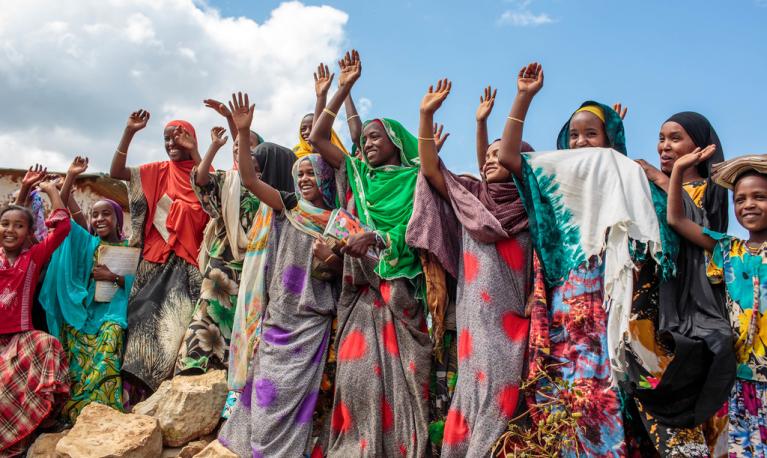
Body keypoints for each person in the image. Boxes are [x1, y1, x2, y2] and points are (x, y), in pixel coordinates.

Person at [498, 62, 677, 457]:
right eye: (573, 135)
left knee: (607, 386)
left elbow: (659, 227)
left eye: (590, 134)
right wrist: (523, 97)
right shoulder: (556, 171)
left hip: (613, 295)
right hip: (565, 298)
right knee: (563, 385)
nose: (579, 142)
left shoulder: (626, 172)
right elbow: (510, 156)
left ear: (609, 138)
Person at [309, 50, 432, 456]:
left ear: (396, 141)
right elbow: (319, 139)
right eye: (363, 140)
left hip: (399, 288)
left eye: (376, 137)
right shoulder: (358, 175)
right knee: (357, 378)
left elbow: (418, 229)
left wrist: (377, 238)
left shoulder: (417, 180)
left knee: (405, 381)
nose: (367, 143)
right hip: (361, 291)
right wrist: (344, 88)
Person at [407, 79, 535, 457]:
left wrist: (537, 297)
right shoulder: (470, 200)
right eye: (488, 155)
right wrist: (426, 115)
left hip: (514, 322)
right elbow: (431, 170)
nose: (492, 159)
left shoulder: (534, 211)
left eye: (502, 154)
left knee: (505, 397)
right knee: (474, 393)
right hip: (473, 321)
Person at [217, 92, 342, 457]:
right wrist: (242, 133)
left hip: (313, 322)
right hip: (278, 318)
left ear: (326, 177)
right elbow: (251, 182)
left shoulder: (339, 221)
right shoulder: (288, 206)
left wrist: (331, 259)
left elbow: (346, 268)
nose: (304, 179)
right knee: (266, 390)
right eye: (299, 173)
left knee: (298, 399)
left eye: (311, 173)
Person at [628, 113, 735, 456]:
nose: (664, 146)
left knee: (699, 380)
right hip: (654, 296)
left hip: (695, 304)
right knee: (645, 377)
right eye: (661, 138)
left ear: (700, 148)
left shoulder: (712, 189)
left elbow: (692, 226)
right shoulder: (651, 191)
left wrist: (664, 177)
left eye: (675, 138)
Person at [176, 118, 295, 377]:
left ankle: (230, 376)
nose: (243, 152)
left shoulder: (276, 192)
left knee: (247, 322)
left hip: (258, 265)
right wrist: (211, 148)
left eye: (251, 148)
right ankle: (193, 368)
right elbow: (204, 183)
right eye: (240, 148)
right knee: (208, 313)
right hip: (224, 262)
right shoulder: (232, 182)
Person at [667, 152, 767, 457]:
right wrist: (679, 171)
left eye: (760, 197)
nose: (748, 205)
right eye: (740, 199)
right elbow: (676, 219)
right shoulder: (728, 251)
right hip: (740, 378)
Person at [109, 110, 209, 395]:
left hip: (189, 266)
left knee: (175, 329)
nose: (171, 143)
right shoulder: (156, 172)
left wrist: (197, 151)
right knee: (141, 319)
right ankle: (138, 394)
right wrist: (129, 132)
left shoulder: (203, 172)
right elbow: (116, 173)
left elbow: (210, 191)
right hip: (153, 262)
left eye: (179, 137)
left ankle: (165, 392)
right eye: (167, 139)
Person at [37, 156, 133, 423]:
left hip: (113, 316)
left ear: (118, 219)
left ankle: (105, 409)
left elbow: (139, 285)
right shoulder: (88, 243)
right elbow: (66, 218)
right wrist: (69, 178)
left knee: (111, 336)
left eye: (106, 214)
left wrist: (113, 276)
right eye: (95, 214)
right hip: (86, 315)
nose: (100, 218)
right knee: (72, 338)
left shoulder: (132, 248)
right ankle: (76, 413)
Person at [0, 178, 71, 454]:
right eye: (5, 224)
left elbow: (63, 227)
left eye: (19, 226)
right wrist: (24, 190)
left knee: (49, 344)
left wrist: (52, 190)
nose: (10, 230)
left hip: (19, 340)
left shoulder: (33, 257)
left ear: (31, 232)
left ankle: (46, 420)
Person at [294, 63, 356, 159]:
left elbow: (316, 144)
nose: (307, 132)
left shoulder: (339, 157)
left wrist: (322, 97)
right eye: (303, 129)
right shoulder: (294, 156)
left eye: (313, 127)